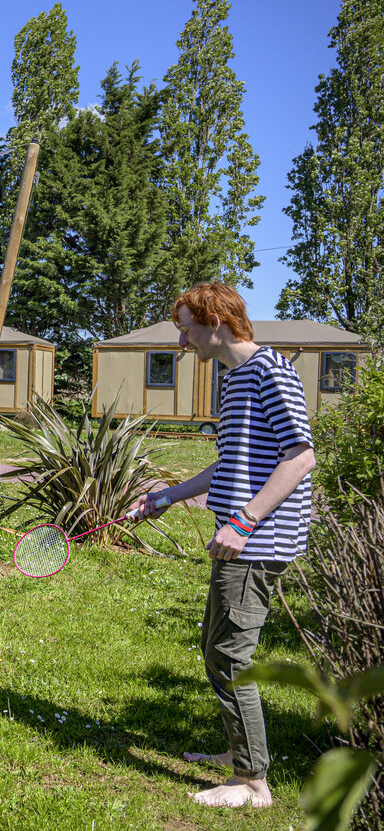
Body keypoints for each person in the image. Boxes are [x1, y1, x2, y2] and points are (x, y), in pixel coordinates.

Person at [131, 283, 315, 809]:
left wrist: (244, 522)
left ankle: (253, 783)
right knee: (217, 648)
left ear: (214, 322)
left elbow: (301, 456)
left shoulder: (270, 370)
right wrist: (167, 496)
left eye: (186, 328)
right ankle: (239, 751)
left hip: (255, 541)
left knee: (231, 657)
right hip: (237, 538)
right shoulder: (233, 378)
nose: (181, 341)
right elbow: (230, 463)